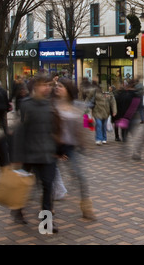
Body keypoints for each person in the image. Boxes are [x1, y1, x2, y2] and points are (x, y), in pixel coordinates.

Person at [12, 74, 60, 232]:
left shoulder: (52, 105)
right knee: (23, 186)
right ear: (35, 87)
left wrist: (59, 150)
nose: (47, 88)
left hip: (47, 154)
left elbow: (56, 130)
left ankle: (46, 222)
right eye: (43, 85)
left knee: (47, 187)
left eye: (49, 85)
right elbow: (20, 131)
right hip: (29, 154)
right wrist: (17, 157)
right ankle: (17, 209)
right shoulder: (26, 105)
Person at [53, 77, 96, 220]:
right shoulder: (52, 105)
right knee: (47, 178)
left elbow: (86, 124)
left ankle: (87, 208)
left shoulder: (77, 105)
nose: (57, 88)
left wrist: (87, 142)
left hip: (70, 147)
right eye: (56, 86)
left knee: (80, 176)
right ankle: (47, 206)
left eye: (60, 86)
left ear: (68, 89)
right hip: (53, 147)